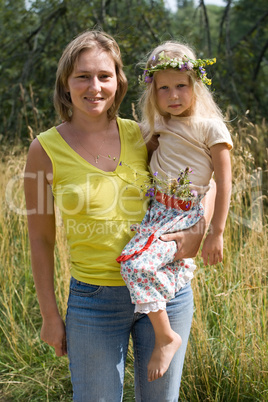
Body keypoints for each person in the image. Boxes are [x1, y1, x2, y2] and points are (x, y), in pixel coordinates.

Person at [24, 31, 215, 402]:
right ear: (66, 83)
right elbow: (40, 238)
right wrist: (49, 315)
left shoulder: (145, 135)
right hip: (94, 302)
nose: (94, 87)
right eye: (82, 76)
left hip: (165, 292)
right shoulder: (43, 150)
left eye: (104, 76)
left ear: (119, 82)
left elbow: (207, 176)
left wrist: (199, 231)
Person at [117, 41, 233, 382]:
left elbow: (224, 184)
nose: (173, 95)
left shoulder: (211, 128)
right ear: (153, 92)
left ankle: (166, 336)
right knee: (139, 262)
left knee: (135, 263)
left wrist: (216, 232)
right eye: (163, 88)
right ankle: (164, 323)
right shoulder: (160, 125)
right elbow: (152, 154)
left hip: (185, 216)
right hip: (156, 211)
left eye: (181, 86)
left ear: (195, 85)